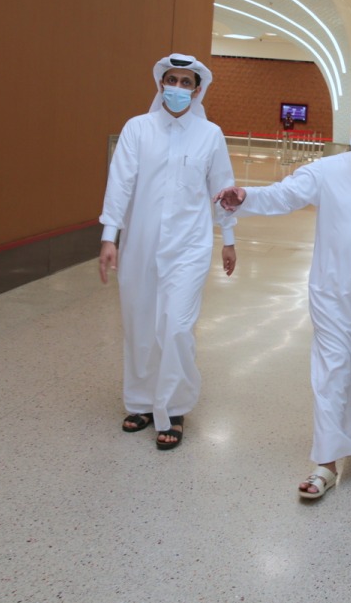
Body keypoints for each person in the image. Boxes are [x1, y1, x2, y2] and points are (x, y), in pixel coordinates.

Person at [214, 104, 351, 499]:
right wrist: (244, 196)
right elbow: (285, 195)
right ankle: (325, 464)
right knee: (332, 367)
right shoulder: (329, 169)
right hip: (332, 288)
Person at [98, 53, 237, 451]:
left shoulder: (210, 134)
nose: (177, 88)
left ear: (197, 89)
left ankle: (173, 407)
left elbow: (222, 190)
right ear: (160, 84)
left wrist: (228, 239)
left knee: (176, 327)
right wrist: (111, 236)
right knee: (140, 324)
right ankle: (141, 402)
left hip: (190, 246)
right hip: (141, 243)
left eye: (186, 82)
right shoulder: (137, 129)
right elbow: (120, 183)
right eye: (171, 80)